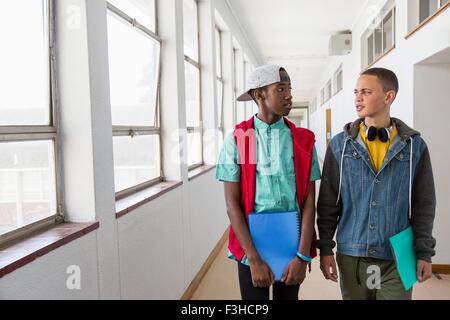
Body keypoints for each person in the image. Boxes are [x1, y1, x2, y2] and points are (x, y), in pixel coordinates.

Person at [317, 67, 436, 300]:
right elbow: (329, 202)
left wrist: (425, 253)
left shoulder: (414, 147)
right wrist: (325, 248)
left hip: (397, 254)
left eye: (366, 91)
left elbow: (424, 204)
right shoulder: (340, 146)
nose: (357, 98)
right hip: (352, 252)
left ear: (388, 97)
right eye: (355, 92)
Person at [215, 64, 321, 300]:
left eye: (289, 88)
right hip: (250, 245)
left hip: (291, 242)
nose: (289, 95)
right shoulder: (243, 139)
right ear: (259, 94)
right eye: (281, 88)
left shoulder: (302, 140)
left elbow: (309, 201)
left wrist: (302, 255)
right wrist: (253, 258)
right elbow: (232, 205)